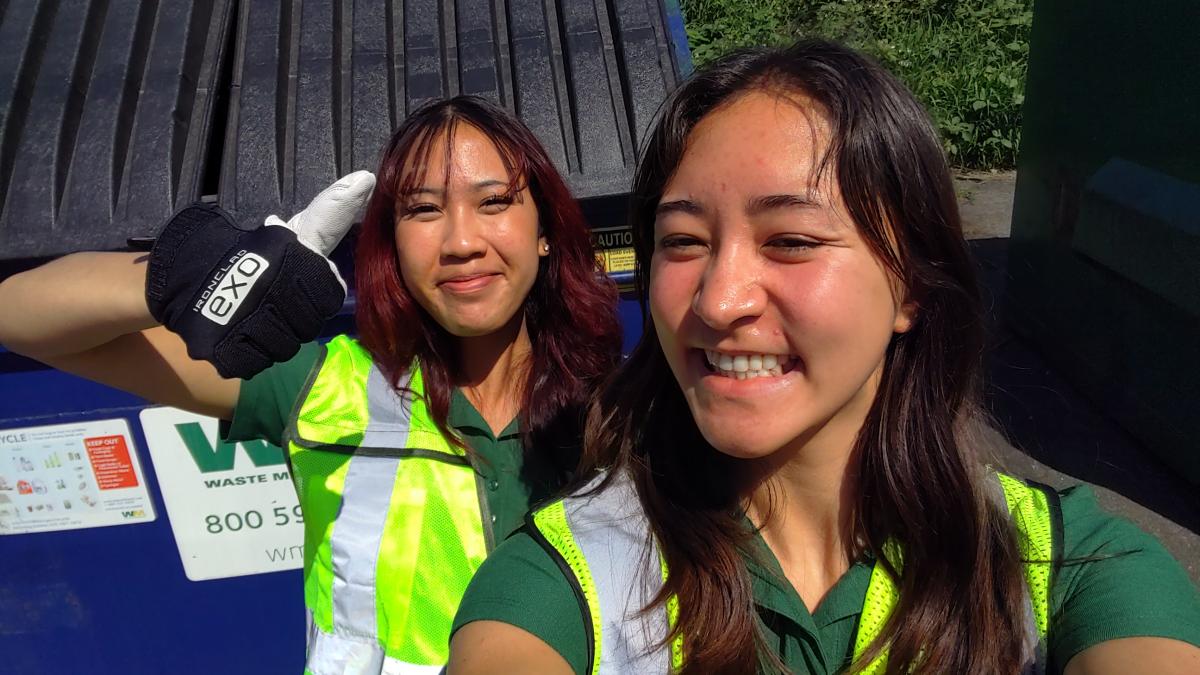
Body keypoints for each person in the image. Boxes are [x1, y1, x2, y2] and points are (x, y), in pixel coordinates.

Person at [445, 42, 1200, 675]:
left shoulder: (1068, 565)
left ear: (909, 285)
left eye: (793, 240)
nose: (717, 300)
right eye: (682, 241)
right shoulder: (566, 572)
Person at [0, 95, 622, 672]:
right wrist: (203, 277)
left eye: (494, 202)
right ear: (392, 243)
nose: (461, 241)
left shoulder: (629, 413)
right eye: (423, 209)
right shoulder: (323, 386)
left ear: (544, 230)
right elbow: (19, 316)